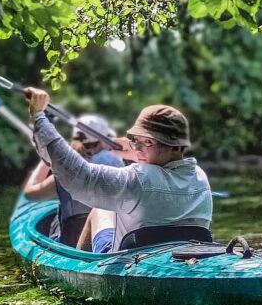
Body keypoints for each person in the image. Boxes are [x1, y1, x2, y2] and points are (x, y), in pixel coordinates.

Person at [26, 88, 212, 253]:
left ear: (176, 147)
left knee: (99, 210)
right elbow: (161, 170)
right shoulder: (200, 177)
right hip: (183, 250)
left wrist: (39, 118)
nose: (138, 148)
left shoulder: (136, 178)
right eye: (136, 140)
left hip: (132, 257)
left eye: (147, 142)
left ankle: (82, 264)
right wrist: (136, 149)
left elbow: (76, 174)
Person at [23, 115, 124, 246]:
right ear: (104, 140)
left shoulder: (65, 173)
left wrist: (49, 159)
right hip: (112, 240)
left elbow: (30, 193)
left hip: (72, 242)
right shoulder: (119, 166)